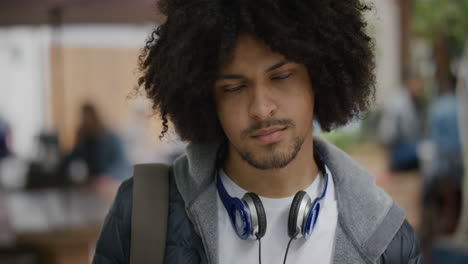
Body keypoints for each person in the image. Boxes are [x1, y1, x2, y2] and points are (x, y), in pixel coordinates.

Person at [93, 0, 422, 263]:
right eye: (235, 87)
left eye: (280, 77)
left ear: (319, 79)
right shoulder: (143, 211)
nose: (261, 108)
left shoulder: (389, 240)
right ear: (207, 98)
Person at [62, 103, 131, 184]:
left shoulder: (110, 138)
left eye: (87, 117)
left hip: (110, 182)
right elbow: (72, 158)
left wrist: (107, 178)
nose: (85, 121)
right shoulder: (85, 139)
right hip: (93, 183)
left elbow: (121, 165)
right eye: (83, 118)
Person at [378, 73, 425, 171]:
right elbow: (387, 135)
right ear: (409, 83)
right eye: (417, 85)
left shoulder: (412, 101)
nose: (420, 89)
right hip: (399, 152)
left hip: (407, 147)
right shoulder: (399, 103)